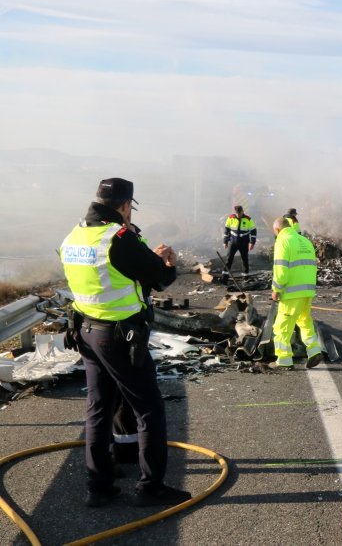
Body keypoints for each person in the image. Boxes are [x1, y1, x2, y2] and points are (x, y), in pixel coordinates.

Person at [59, 177, 191, 508]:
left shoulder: (76, 233)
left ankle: (99, 485)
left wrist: (142, 252)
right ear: (123, 206)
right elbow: (158, 278)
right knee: (148, 408)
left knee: (98, 407)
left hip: (85, 330)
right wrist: (167, 263)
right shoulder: (117, 238)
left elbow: (111, 271)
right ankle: (150, 487)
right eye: (130, 207)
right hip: (118, 336)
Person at [269, 216, 325, 369]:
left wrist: (276, 289)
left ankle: (284, 359)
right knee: (304, 321)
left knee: (282, 326)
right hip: (307, 290)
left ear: (277, 229)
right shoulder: (304, 241)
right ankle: (314, 350)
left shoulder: (282, 241)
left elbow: (281, 270)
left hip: (291, 292)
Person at [222, 205, 257, 274]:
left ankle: (245, 277)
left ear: (242, 211)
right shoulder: (230, 218)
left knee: (245, 260)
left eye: (240, 214)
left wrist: (252, 243)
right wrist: (225, 242)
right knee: (229, 259)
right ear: (235, 212)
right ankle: (224, 277)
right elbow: (226, 230)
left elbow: (253, 232)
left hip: (244, 242)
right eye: (237, 214)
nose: (239, 215)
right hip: (233, 241)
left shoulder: (248, 219)